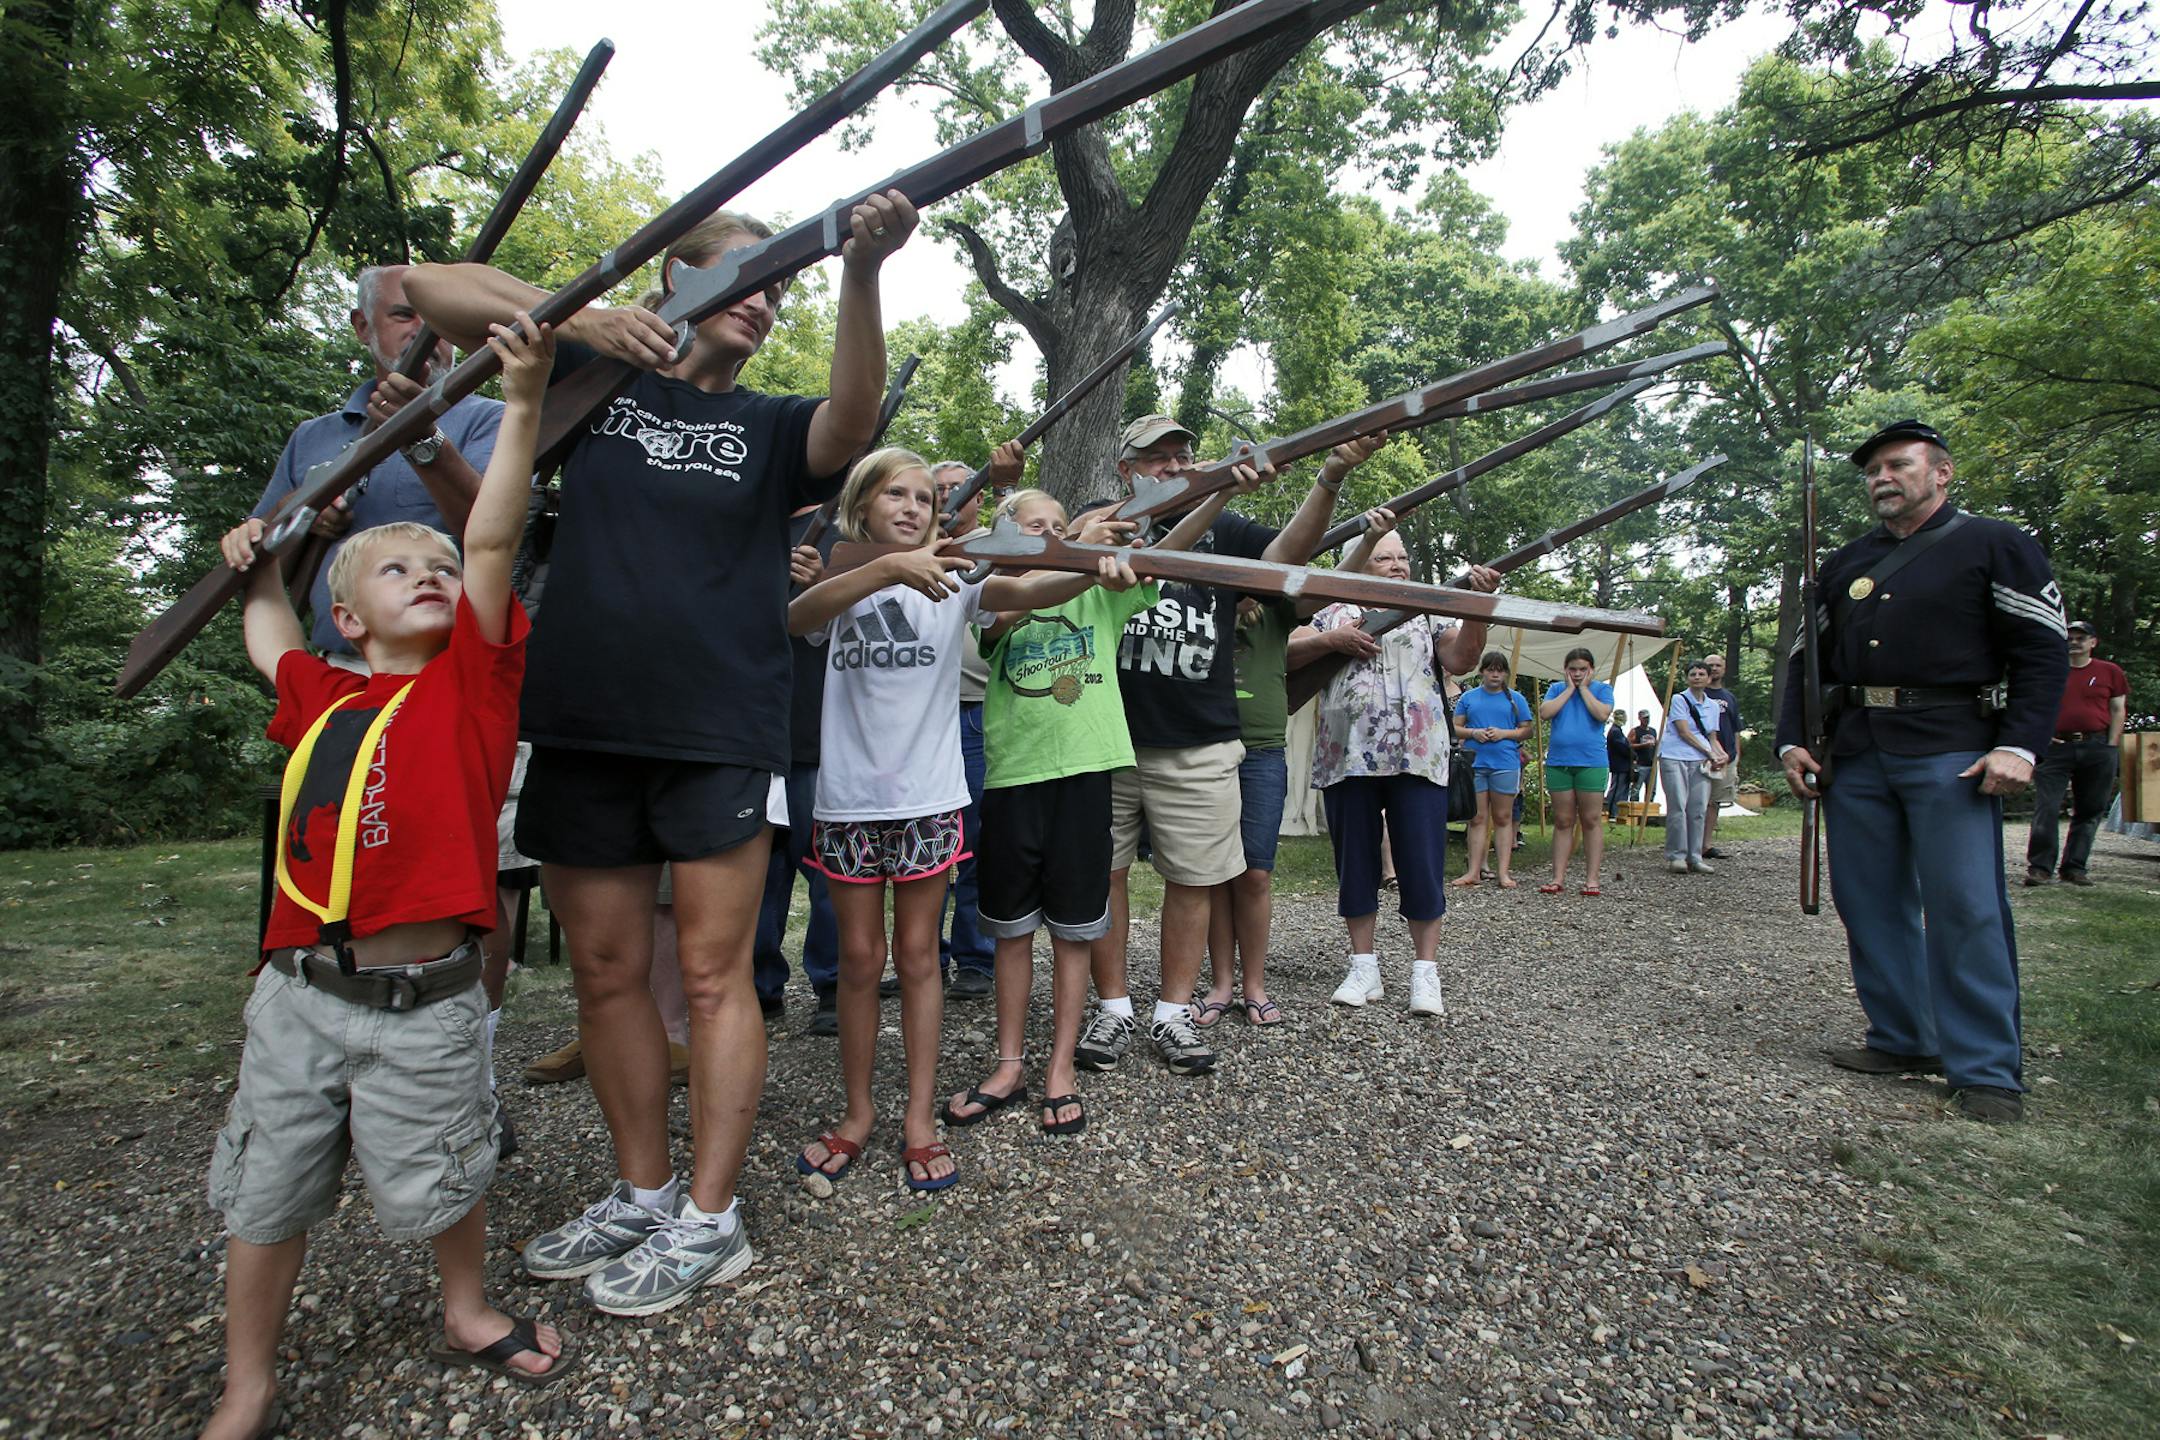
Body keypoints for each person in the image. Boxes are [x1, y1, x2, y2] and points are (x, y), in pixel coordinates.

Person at [405, 191, 917, 1313]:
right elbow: (425, 287)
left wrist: (863, 271)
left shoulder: (776, 427)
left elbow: (854, 414)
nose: (766, 299)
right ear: (676, 280)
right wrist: (582, 320)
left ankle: (710, 1218)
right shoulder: (595, 386)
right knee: (604, 972)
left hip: (719, 727)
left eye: (779, 283)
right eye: (747, 274)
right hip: (584, 718)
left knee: (710, 975)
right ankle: (641, 1192)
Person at [203, 312, 566, 1439]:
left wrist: (517, 405)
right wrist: (257, 563)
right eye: (398, 566)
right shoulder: (324, 692)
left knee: (449, 1172)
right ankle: (248, 1379)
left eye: (438, 567)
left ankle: (466, 1307)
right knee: (267, 1191)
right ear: (349, 619)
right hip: (300, 996)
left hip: (428, 1006)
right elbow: (269, 633)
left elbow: (496, 544)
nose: (431, 572)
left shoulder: (470, 687)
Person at [792, 453, 1143, 1188]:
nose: (915, 506)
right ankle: (858, 1114)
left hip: (929, 797)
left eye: (926, 497)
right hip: (848, 802)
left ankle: (918, 1118)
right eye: (897, 493)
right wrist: (888, 569)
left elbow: (1032, 587)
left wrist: (1093, 568)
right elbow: (798, 617)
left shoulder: (958, 580)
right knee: (859, 962)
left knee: (921, 959)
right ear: (862, 504)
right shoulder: (837, 575)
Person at [248, 265, 527, 1144]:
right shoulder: (314, 437)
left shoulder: (478, 414)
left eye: (438, 318)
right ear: (367, 327)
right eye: (407, 315)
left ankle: (459, 1073)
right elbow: (270, 574)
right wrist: (299, 533)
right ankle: (338, 1060)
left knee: (472, 878)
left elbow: (490, 538)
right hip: (350, 696)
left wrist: (424, 441)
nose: (426, 331)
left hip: (455, 691)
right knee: (348, 856)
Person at [1778, 418, 2067, 1125]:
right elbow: (1803, 663)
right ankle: (1904, 1036)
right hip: (1859, 749)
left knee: (1966, 907)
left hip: (1953, 747)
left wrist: (2020, 745)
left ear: (1941, 473)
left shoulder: (1998, 545)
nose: (1882, 477)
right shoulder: (1845, 563)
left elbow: (2042, 650)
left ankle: (1987, 1070)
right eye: (1873, 469)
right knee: (1869, 901)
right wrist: (1791, 741)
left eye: (1898, 465)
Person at [944, 487, 1220, 1136]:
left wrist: (1216, 490)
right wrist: (1075, 549)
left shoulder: (1101, 593)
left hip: (1087, 776)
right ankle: (1009, 1064)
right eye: (1035, 527)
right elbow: (1019, 603)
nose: (1052, 536)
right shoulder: (993, 598)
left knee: (1073, 934)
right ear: (1004, 538)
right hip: (1014, 780)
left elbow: (1172, 550)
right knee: (1011, 932)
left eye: (1061, 526)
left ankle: (1060, 1068)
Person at [1073, 415, 1330, 1078]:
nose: (1173, 468)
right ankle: (1112, 1006)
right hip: (1106, 735)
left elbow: (1285, 562)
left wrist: (1329, 476)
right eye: (1156, 459)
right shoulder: (1101, 521)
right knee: (1102, 877)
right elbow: (1104, 547)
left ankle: (1173, 1011)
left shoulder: (1229, 531)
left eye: (1184, 457)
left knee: (1193, 881)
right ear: (1126, 470)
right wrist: (1212, 491)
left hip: (1200, 738)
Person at [1297, 517, 1500, 1016]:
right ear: (1360, 558)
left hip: (1418, 753)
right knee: (1356, 866)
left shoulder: (1428, 605)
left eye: (1403, 557)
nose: (1398, 565)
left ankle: (1424, 974)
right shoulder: (1331, 607)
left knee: (1423, 864)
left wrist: (1476, 611)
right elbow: (1287, 649)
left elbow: (1460, 660)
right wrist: (1331, 641)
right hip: (1346, 756)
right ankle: (1364, 966)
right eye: (1385, 557)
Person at [2025, 620, 2128, 887]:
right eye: (2069, 637)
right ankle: (2040, 867)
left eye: (2081, 638)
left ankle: (2074, 867)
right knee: (2047, 807)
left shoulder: (2110, 671)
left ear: (2093, 642)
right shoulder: (2051, 671)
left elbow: (2118, 709)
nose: (2074, 642)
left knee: (2090, 808)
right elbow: (2034, 705)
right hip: (2055, 747)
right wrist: (2041, 735)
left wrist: (2111, 745)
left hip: (2096, 746)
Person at [1537, 649, 1617, 896]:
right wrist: (1570, 689)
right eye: (1573, 669)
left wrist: (1583, 689)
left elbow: (1602, 714)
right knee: (1563, 820)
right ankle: (1558, 877)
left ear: (1591, 669)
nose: (1578, 673)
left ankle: (1592, 879)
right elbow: (1545, 712)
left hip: (1592, 762)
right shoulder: (1556, 689)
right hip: (1560, 762)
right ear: (1566, 669)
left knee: (1591, 819)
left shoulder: (1602, 690)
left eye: (1583, 669)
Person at [1450, 652, 1531, 888]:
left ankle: (1504, 872)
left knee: (1503, 817)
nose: (1495, 674)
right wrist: (1474, 733)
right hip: (1475, 763)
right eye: (1490, 669)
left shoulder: (1515, 699)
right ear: (1482, 671)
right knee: (1477, 818)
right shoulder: (1469, 698)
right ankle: (1473, 871)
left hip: (1505, 763)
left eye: (1500, 670)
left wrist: (1504, 733)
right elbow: (1455, 727)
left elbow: (1526, 730)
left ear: (1505, 673)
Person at [1659, 661, 1725, 873]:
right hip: (1674, 756)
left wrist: (1721, 754)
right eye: (1693, 674)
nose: (1697, 677)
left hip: (1700, 761)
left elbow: (1711, 736)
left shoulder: (1713, 706)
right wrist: (1708, 752)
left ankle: (1695, 856)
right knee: (1678, 806)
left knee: (1698, 809)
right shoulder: (1679, 699)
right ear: (1687, 678)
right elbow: (1684, 732)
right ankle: (1676, 855)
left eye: (1701, 673)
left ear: (1708, 678)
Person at [1699, 654, 1744, 857]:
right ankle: (1690, 844)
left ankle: (1706, 845)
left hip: (1726, 758)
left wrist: (1736, 757)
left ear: (1724, 669)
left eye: (1718, 665)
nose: (1715, 668)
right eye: (1711, 665)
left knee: (1715, 802)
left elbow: (1736, 730)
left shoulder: (1729, 697)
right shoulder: (1696, 694)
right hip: (1701, 756)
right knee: (1698, 801)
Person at [1605, 706, 1635, 819]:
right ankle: (1612, 812)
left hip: (1622, 766)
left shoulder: (1617, 731)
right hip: (1619, 765)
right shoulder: (1615, 731)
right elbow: (1622, 747)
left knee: (1622, 790)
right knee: (1617, 789)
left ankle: (1619, 813)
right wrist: (1632, 754)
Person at [1629, 709, 1659, 800]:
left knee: (1651, 790)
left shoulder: (1653, 731)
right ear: (1640, 718)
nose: (1647, 720)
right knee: (1636, 789)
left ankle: (1649, 809)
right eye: (1644, 718)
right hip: (1640, 764)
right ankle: (1634, 809)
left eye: (1648, 718)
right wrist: (1643, 745)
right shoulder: (1635, 731)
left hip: (1652, 764)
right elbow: (1629, 745)